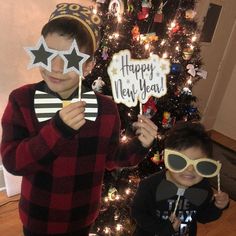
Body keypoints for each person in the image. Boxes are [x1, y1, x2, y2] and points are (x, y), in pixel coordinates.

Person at [0, 3, 158, 236]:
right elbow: (13, 162)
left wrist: (140, 145)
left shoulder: (105, 109)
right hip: (38, 217)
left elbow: (112, 158)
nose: (55, 67)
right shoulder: (22, 101)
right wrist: (58, 130)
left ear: (88, 66)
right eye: (48, 54)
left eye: (67, 59)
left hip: (82, 217)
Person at [131, 121, 229, 236]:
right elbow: (138, 213)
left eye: (199, 164)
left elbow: (203, 217)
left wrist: (217, 207)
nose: (190, 169)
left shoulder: (203, 187)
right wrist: (163, 228)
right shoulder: (149, 186)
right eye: (180, 161)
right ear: (167, 159)